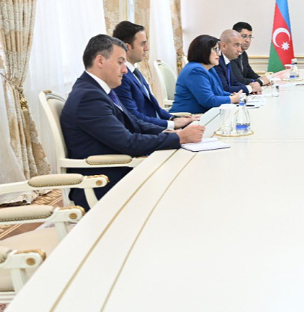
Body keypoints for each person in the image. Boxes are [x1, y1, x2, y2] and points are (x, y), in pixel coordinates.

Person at [60, 34, 204, 209]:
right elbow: (127, 142)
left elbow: (134, 123)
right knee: (185, 184)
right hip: (104, 182)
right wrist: (179, 138)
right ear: (100, 61)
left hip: (120, 169)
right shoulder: (89, 97)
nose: (125, 70)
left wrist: (172, 132)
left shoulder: (97, 90)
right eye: (120, 62)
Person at [111, 21, 196, 129]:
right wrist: (172, 125)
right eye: (142, 44)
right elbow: (134, 117)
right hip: (148, 131)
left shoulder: (134, 71)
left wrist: (174, 118)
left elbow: (155, 108)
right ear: (127, 47)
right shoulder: (121, 77)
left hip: (156, 126)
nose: (146, 48)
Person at [171, 35, 242, 114]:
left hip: (203, 115)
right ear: (203, 51)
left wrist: (232, 95)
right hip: (187, 117)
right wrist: (233, 99)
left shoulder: (210, 68)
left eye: (219, 50)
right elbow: (209, 101)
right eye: (215, 49)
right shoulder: (195, 71)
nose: (219, 54)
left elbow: (218, 92)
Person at [213, 29, 254, 95]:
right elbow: (224, 88)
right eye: (236, 45)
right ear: (224, 46)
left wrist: (250, 88)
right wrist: (250, 88)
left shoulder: (228, 60)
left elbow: (234, 82)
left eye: (240, 45)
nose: (240, 50)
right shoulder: (217, 62)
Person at [230, 21, 270, 88]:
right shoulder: (231, 55)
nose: (248, 40)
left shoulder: (243, 54)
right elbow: (239, 80)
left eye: (250, 37)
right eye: (244, 36)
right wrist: (261, 81)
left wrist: (261, 79)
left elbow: (250, 73)